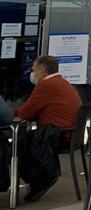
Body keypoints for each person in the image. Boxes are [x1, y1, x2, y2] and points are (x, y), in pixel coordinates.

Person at [13, 56, 81, 201]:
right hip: (69, 134)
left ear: (42, 71)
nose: (32, 73)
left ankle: (40, 179)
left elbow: (26, 113)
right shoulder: (62, 83)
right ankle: (41, 179)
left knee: (18, 144)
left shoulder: (46, 85)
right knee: (28, 139)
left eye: (34, 70)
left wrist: (11, 112)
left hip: (56, 135)